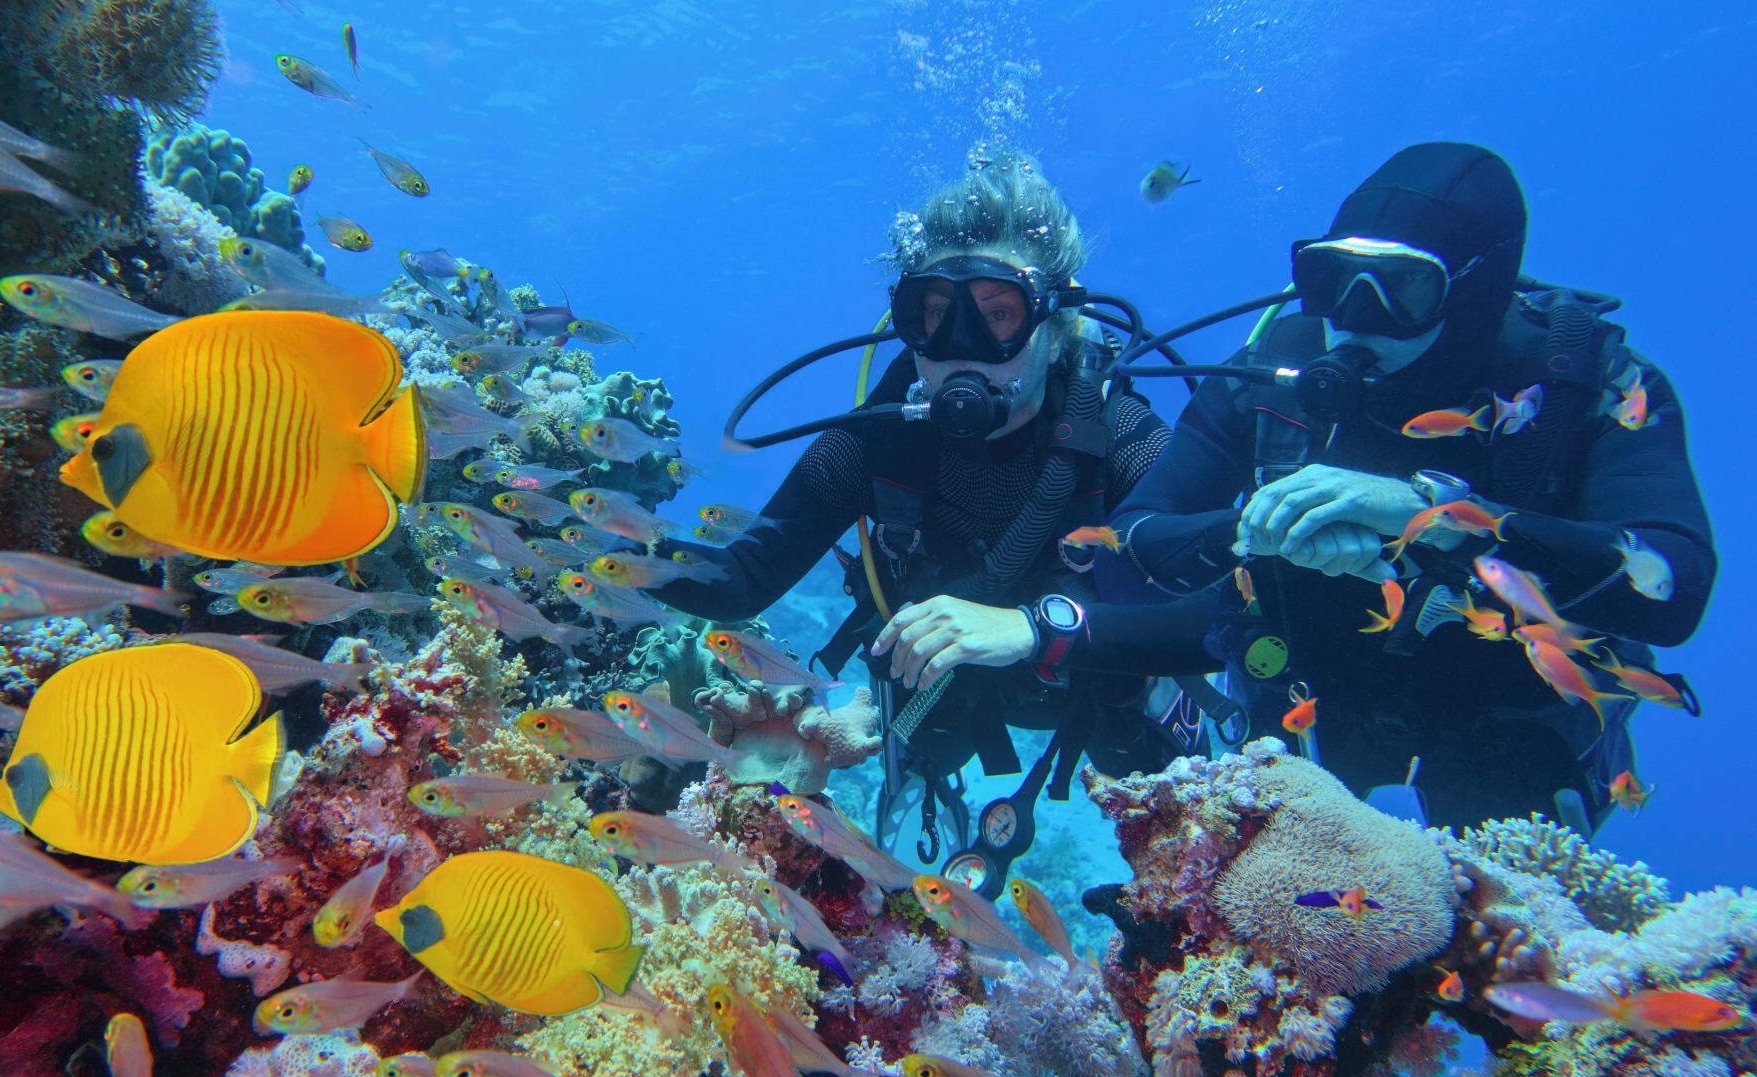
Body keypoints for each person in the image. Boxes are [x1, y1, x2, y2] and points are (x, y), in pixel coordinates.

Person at [1102, 142, 1714, 832]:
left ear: (1476, 289)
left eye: (1406, 287)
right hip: (1304, 713)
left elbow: (1677, 586)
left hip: (1506, 727)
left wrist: (1445, 517)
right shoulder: (1273, 376)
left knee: (1496, 921)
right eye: (1333, 278)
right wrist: (1255, 525)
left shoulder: (1583, 388)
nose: (1355, 316)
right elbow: (1120, 554)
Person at [657, 156, 1220, 894]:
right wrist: (604, 544)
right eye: (932, 315)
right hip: (943, 686)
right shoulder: (873, 440)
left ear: (1055, 324)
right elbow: (740, 581)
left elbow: (1221, 613)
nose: (959, 350)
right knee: (913, 773)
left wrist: (1037, 628)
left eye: (998, 317)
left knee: (1175, 817)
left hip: (1097, 678)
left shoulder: (1126, 442)